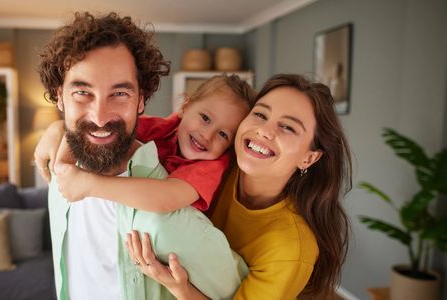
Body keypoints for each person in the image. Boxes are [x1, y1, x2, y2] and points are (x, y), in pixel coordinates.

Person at [37, 11, 246, 300]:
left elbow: (239, 289)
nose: (99, 117)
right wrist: (55, 131)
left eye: (120, 94)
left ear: (142, 100)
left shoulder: (171, 222)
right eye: (82, 92)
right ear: (59, 96)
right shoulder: (57, 178)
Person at [127, 74, 352, 299]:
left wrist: (180, 288)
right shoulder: (215, 154)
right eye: (260, 114)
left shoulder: (290, 248)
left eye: (288, 127)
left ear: (309, 158)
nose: (264, 130)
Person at [38, 74, 253, 213]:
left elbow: (166, 198)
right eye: (205, 118)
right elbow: (105, 129)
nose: (208, 135)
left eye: (224, 134)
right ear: (185, 107)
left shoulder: (213, 165)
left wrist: (90, 185)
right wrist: (57, 129)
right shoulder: (163, 127)